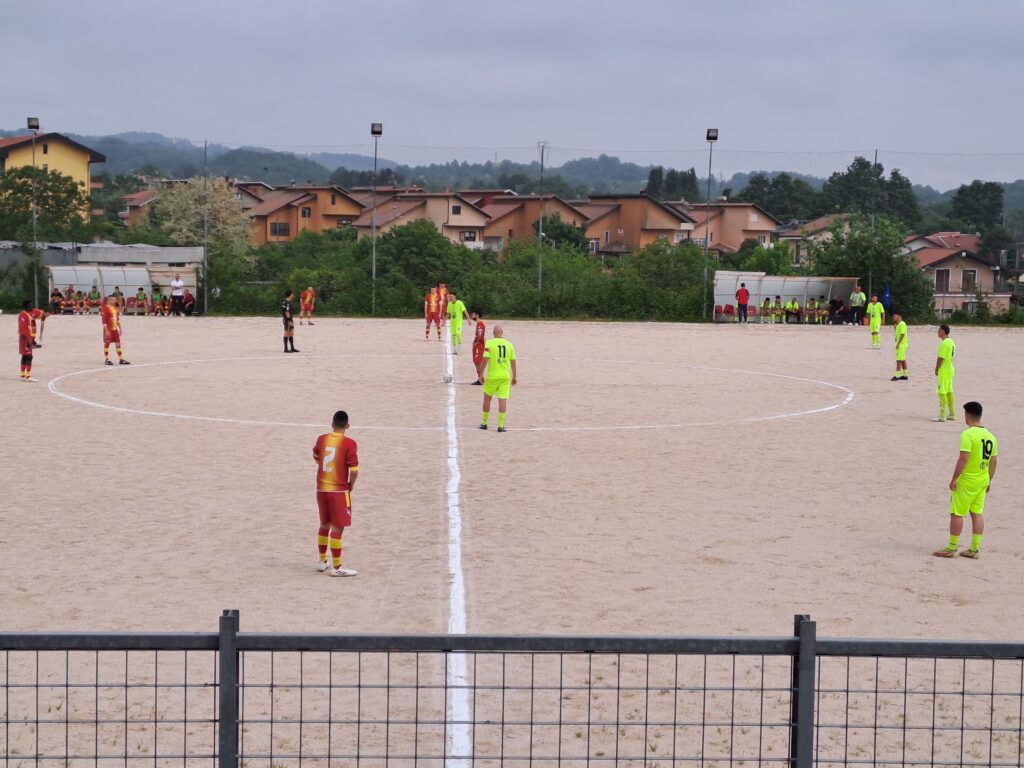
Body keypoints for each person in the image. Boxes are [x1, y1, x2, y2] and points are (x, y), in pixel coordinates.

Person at [933, 401, 997, 559]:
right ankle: (974, 549)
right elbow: (994, 461)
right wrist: (989, 480)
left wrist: (954, 478)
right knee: (977, 513)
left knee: (957, 513)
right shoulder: (991, 436)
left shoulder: (968, 434)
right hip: (982, 480)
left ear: (967, 416)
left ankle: (952, 547)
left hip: (967, 480)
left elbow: (963, 458)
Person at [312, 410, 359, 577]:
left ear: (332, 424)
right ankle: (337, 567)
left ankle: (322, 561)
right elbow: (354, 470)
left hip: (321, 489)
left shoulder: (321, 439)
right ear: (348, 426)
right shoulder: (349, 443)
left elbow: (317, 457)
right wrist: (351, 485)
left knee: (324, 524)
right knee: (338, 527)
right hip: (338, 491)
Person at [479, 325, 517, 432]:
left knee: (487, 398)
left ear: (493, 333)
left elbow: (485, 359)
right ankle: (500, 425)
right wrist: (514, 376)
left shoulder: (489, 343)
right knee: (502, 399)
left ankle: (484, 423)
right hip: (505, 376)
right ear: (502, 333)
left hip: (492, 376)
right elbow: (513, 361)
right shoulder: (509, 345)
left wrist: (481, 374)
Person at [934, 325, 956, 422]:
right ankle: (952, 414)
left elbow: (940, 358)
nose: (937, 332)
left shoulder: (944, 343)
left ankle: (942, 415)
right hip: (950, 369)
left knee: (942, 392)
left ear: (943, 331)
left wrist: (936, 369)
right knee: (949, 392)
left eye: (939, 330)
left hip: (944, 370)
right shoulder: (951, 341)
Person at [101, 296, 130, 365]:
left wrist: (120, 328)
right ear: (108, 301)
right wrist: (106, 331)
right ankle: (107, 359)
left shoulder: (114, 308)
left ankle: (121, 359)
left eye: (115, 300)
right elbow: (103, 320)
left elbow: (117, 319)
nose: (115, 301)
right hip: (108, 329)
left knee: (118, 344)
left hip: (115, 329)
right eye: (113, 300)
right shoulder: (105, 308)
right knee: (107, 344)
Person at [18, 300, 36, 382]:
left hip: (25, 338)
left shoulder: (26, 314)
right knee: (29, 356)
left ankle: (23, 375)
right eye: (31, 305)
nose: (32, 306)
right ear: (27, 306)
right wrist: (29, 341)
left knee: (25, 356)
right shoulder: (23, 314)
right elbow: (23, 328)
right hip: (25, 338)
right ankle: (28, 376)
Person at [891, 310, 908, 381]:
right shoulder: (899, 325)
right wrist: (895, 328)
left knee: (899, 360)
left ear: (899, 316)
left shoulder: (902, 324)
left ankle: (897, 375)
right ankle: (905, 375)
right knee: (903, 359)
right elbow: (898, 334)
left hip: (902, 344)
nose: (893, 317)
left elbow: (902, 335)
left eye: (895, 316)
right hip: (902, 344)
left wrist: (898, 344)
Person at [470, 309, 486, 384]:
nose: (471, 316)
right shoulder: (479, 323)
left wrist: (476, 342)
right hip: (478, 345)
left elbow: (480, 333)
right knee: (476, 362)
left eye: (473, 314)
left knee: (477, 362)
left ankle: (481, 379)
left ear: (477, 315)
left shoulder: (480, 323)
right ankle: (480, 378)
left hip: (479, 346)